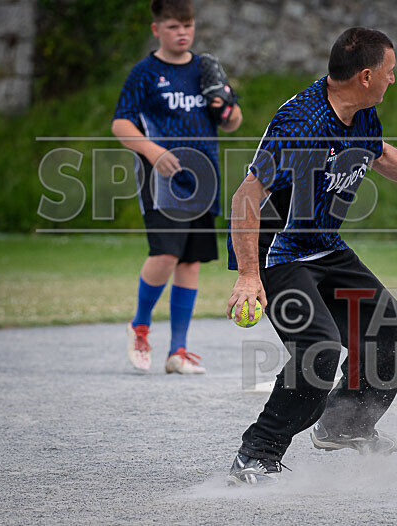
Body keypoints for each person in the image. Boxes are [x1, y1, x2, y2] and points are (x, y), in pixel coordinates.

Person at [226, 27, 397, 486]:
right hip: (277, 251)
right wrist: (248, 276)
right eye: (390, 71)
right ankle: (256, 453)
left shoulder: (361, 113)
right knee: (318, 350)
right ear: (366, 76)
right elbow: (246, 196)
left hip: (323, 244)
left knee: (389, 329)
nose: (393, 80)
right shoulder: (301, 122)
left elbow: (376, 153)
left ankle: (345, 424)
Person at [111, 0, 242, 374]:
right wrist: (152, 152)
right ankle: (139, 325)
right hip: (163, 179)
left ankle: (178, 351)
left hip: (203, 178)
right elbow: (121, 124)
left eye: (187, 25)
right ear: (157, 30)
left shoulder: (205, 68)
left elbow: (231, 121)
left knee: (190, 262)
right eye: (172, 26)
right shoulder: (145, 73)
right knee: (166, 254)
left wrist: (229, 110)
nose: (181, 32)